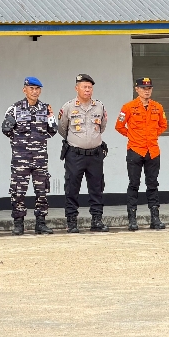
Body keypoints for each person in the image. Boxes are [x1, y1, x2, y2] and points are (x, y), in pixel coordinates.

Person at [2, 77, 58, 236]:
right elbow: (6, 129)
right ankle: (18, 223)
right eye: (31, 88)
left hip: (40, 157)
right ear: (24, 90)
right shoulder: (15, 108)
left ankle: (41, 223)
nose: (34, 92)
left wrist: (51, 116)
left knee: (42, 191)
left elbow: (52, 129)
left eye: (37, 89)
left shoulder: (45, 108)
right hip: (21, 158)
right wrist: (21, 143)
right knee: (18, 191)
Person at [115, 77, 168, 231]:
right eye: (144, 88)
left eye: (149, 88)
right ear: (136, 89)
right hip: (135, 150)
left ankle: (155, 218)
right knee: (134, 184)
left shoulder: (157, 107)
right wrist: (133, 136)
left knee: (152, 184)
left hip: (152, 151)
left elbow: (163, 125)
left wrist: (152, 135)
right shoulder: (128, 107)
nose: (147, 91)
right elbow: (119, 126)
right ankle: (132, 219)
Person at [57, 74, 108, 234]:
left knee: (97, 187)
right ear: (76, 88)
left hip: (95, 154)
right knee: (72, 187)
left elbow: (102, 126)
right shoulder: (68, 107)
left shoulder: (99, 106)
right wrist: (77, 141)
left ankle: (97, 220)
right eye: (84, 87)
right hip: (75, 154)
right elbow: (62, 128)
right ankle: (71, 221)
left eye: (90, 87)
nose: (87, 90)